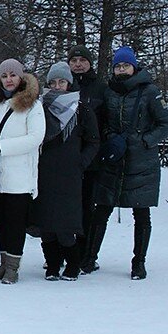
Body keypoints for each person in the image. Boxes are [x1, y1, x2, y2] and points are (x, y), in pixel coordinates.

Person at [86, 47, 168, 279]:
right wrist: (109, 135)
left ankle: (139, 262)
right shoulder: (109, 92)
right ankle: (90, 258)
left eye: (125, 65)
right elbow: (101, 121)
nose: (121, 69)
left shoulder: (149, 91)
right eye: (118, 66)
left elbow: (165, 124)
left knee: (141, 214)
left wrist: (145, 141)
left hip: (141, 163)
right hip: (114, 158)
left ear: (134, 66)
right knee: (101, 210)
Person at [0, 58, 45, 284]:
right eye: (4, 75)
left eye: (13, 75)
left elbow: (35, 138)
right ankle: (3, 263)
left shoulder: (33, 105)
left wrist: (0, 148)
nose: (9, 79)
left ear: (21, 77)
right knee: (2, 222)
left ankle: (13, 267)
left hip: (20, 175)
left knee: (16, 223)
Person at [32, 62, 99, 280]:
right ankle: (52, 264)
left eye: (62, 81)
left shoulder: (81, 108)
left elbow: (93, 141)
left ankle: (72, 263)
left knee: (66, 223)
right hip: (44, 171)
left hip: (70, 173)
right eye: (53, 82)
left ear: (69, 84)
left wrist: (81, 162)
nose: (57, 86)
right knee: (46, 223)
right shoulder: (40, 107)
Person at [67, 45, 107, 267]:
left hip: (92, 158)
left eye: (83, 60)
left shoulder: (100, 88)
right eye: (74, 60)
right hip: (65, 157)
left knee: (87, 208)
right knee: (66, 206)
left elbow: (107, 121)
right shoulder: (63, 85)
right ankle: (67, 250)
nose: (78, 64)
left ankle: (86, 254)